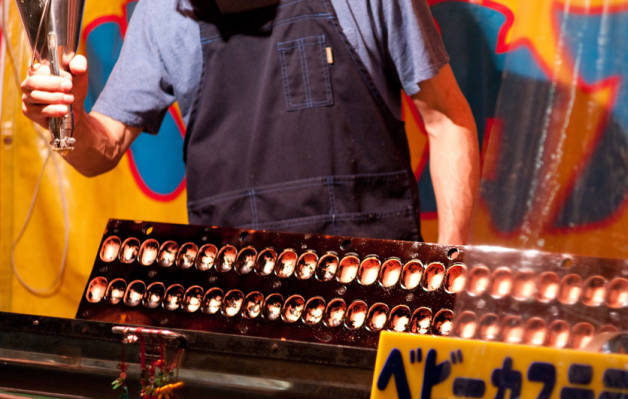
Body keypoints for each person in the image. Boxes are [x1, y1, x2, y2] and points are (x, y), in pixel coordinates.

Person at [21, 0, 479, 244]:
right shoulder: (165, 12)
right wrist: (65, 121)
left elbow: (448, 120)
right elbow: (100, 150)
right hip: (237, 295)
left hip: (375, 291)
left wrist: (451, 263)